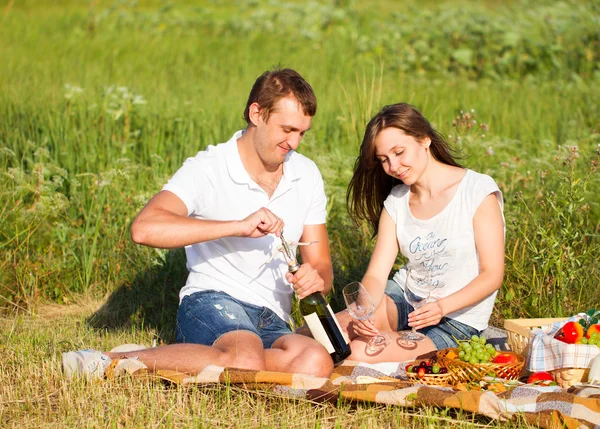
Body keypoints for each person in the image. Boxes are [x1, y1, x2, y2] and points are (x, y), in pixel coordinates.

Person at [63, 68, 335, 379]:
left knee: (315, 360)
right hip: (212, 300)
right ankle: (110, 359)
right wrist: (238, 226)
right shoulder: (208, 168)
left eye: (302, 133)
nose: (295, 143)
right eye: (287, 130)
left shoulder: (307, 174)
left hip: (272, 316)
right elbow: (145, 228)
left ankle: (180, 358)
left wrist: (317, 279)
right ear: (256, 113)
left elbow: (322, 266)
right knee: (244, 358)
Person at [341, 103, 505, 363]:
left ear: (424, 139)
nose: (393, 166)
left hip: (455, 320)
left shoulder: (476, 191)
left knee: (359, 351)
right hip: (406, 299)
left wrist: (442, 307)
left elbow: (492, 274)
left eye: (399, 152)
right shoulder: (397, 200)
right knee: (332, 332)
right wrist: (364, 312)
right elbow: (375, 274)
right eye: (384, 159)